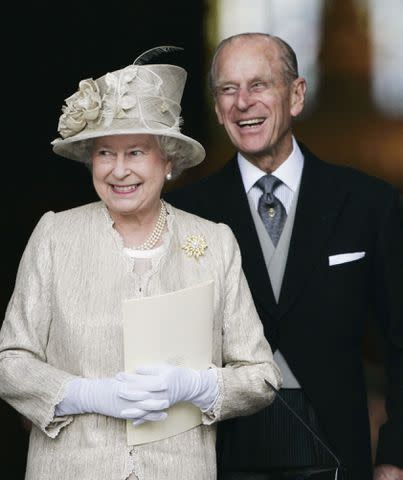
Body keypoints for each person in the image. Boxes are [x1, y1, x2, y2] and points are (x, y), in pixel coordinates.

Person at [0, 48, 282, 480]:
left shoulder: (214, 242)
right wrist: (86, 394)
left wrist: (198, 386)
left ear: (167, 161)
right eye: (104, 154)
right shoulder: (55, 237)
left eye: (135, 152)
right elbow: (10, 361)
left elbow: (261, 377)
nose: (118, 170)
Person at [165, 33, 403, 480]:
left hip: (337, 450)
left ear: (296, 95)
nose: (242, 102)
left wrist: (395, 455)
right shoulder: (184, 213)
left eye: (259, 85)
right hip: (219, 454)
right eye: (228, 90)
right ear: (216, 109)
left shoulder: (368, 203)